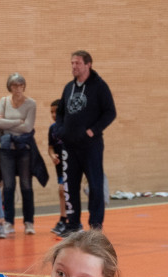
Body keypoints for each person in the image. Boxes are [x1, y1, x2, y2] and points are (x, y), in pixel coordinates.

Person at [55, 51, 117, 234]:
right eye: (72, 63)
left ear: (88, 64)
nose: (74, 66)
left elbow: (110, 113)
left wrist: (92, 131)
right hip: (69, 145)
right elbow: (60, 112)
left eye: (78, 63)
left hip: (91, 146)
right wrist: (60, 130)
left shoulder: (99, 86)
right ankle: (73, 224)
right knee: (70, 186)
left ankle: (96, 226)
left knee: (95, 186)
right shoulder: (68, 87)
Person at [0, 73, 37, 235]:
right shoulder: (4, 101)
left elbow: (28, 127)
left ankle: (29, 222)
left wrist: (9, 125)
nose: (18, 89)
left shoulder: (31, 104)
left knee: (26, 185)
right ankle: (8, 222)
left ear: (24, 87)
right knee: (8, 186)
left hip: (24, 148)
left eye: (20, 85)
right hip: (6, 149)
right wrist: (17, 122)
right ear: (10, 87)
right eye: (14, 86)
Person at [48, 99, 68, 236]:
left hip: (71, 164)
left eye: (56, 111)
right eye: (51, 112)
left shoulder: (69, 126)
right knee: (62, 191)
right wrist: (52, 155)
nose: (54, 114)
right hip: (60, 166)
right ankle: (63, 219)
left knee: (64, 190)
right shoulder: (52, 128)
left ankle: (69, 219)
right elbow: (50, 147)